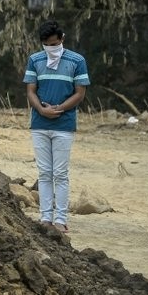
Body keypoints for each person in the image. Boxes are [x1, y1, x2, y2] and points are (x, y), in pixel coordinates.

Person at [23, 20, 90, 233]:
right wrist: (42, 111)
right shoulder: (35, 60)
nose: (50, 48)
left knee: (60, 173)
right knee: (44, 173)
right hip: (40, 124)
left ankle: (60, 219)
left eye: (54, 43)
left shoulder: (76, 60)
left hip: (64, 124)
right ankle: (45, 218)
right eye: (46, 44)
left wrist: (58, 108)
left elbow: (79, 93)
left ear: (62, 39)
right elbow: (31, 90)